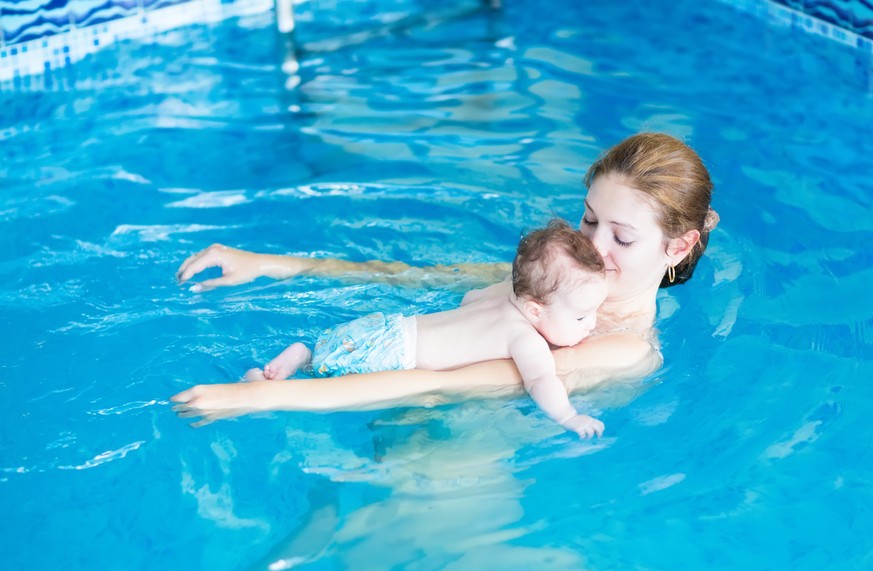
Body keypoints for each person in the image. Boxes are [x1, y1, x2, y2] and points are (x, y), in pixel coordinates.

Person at [171, 132, 720, 426]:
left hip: (449, 456)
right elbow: (410, 278)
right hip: (376, 398)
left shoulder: (620, 351)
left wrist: (271, 400)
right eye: (589, 220)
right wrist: (269, 263)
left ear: (678, 246)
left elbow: (437, 384)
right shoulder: (556, 281)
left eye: (622, 238)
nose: (594, 248)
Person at [244, 219, 609, 437]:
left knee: (322, 361)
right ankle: (268, 384)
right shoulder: (525, 338)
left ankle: (302, 354)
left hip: (381, 328)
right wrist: (568, 416)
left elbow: (468, 298)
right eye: (581, 317)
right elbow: (541, 382)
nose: (590, 324)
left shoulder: (496, 297)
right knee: (333, 391)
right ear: (534, 309)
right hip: (391, 356)